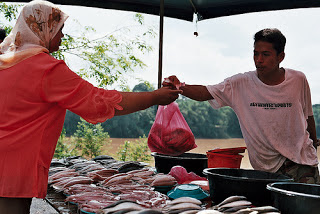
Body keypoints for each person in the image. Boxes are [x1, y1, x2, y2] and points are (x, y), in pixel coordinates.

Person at [0, 0, 181, 213]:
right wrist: (154, 97)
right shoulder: (46, 69)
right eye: (60, 30)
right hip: (13, 171)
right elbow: (100, 101)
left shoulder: (7, 62)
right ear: (43, 29)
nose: (62, 36)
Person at [164, 28, 320, 184]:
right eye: (255, 53)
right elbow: (206, 92)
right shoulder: (240, 84)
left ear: (281, 57)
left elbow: (308, 116)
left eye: (265, 55)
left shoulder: (298, 79)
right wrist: (179, 86)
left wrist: (313, 143)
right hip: (265, 169)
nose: (259, 60)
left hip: (302, 163)